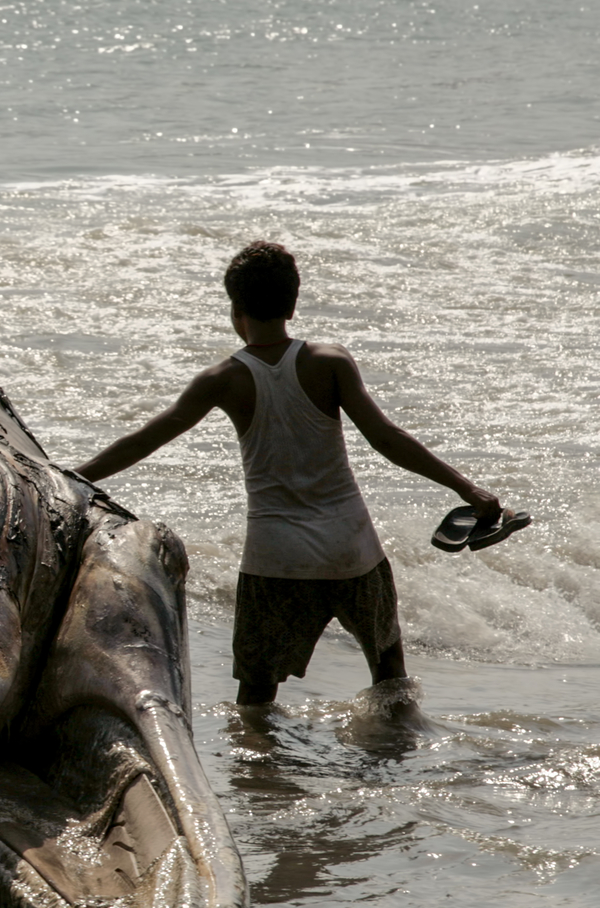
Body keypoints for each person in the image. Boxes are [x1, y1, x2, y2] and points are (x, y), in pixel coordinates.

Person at [74, 241, 526, 706]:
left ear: (235, 309)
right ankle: (394, 762)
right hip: (352, 548)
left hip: (276, 556)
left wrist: (72, 477)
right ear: (292, 303)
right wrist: (469, 490)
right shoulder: (328, 362)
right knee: (389, 674)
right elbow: (387, 438)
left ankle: (260, 775)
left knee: (256, 696)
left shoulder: (222, 379)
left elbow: (143, 440)